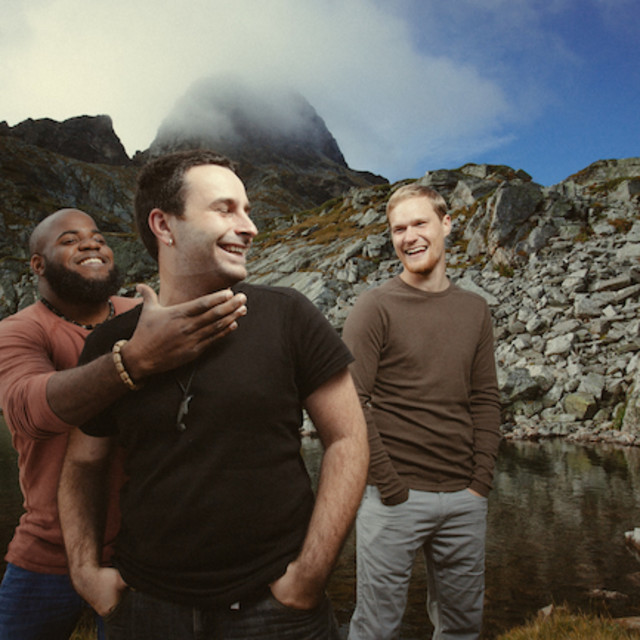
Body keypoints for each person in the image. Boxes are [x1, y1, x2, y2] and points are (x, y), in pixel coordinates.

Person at [58, 149, 369, 640]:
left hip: (276, 611)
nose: (249, 227)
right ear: (164, 225)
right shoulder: (111, 345)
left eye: (247, 210)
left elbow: (348, 439)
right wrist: (84, 572)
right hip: (145, 612)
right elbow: (82, 464)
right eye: (225, 209)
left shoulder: (289, 315)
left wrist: (310, 574)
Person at [0, 207, 247, 640]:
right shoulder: (19, 331)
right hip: (48, 552)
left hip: (148, 554)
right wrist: (134, 360)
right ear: (37, 264)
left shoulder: (148, 314)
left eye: (98, 237)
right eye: (69, 240)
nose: (91, 244)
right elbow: (29, 411)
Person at [343, 184, 501, 640]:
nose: (409, 237)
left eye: (419, 224)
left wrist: (480, 483)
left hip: (464, 499)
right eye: (399, 229)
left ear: (446, 224)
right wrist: (390, 485)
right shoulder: (374, 307)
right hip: (394, 500)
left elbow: (486, 398)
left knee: (462, 627)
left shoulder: (475, 310)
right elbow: (351, 401)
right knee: (376, 628)